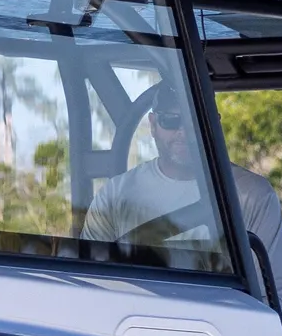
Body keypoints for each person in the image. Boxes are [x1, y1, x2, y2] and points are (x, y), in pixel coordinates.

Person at [85, 83, 217, 256]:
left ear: (213, 123)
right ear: (153, 124)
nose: (183, 132)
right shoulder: (114, 195)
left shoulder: (248, 196)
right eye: (171, 120)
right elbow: (93, 272)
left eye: (195, 121)